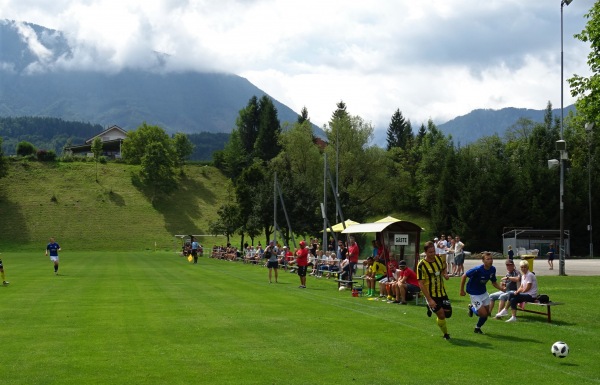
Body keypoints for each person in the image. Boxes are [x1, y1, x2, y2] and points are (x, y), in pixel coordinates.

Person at [459, 252, 503, 334]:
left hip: (483, 292)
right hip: (474, 293)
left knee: (487, 314)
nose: (490, 261)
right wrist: (461, 290)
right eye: (488, 259)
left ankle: (477, 328)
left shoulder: (493, 269)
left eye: (491, 259)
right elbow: (464, 276)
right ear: (483, 261)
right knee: (483, 314)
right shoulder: (477, 269)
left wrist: (502, 289)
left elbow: (494, 282)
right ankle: (472, 307)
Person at [417, 241, 452, 340]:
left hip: (442, 292)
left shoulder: (439, 259)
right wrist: (429, 299)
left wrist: (445, 274)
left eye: (434, 251)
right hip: (431, 294)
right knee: (441, 315)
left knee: (448, 314)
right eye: (430, 252)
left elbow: (443, 268)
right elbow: (421, 283)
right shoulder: (421, 265)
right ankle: (446, 334)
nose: (432, 254)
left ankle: (430, 308)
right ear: (425, 252)